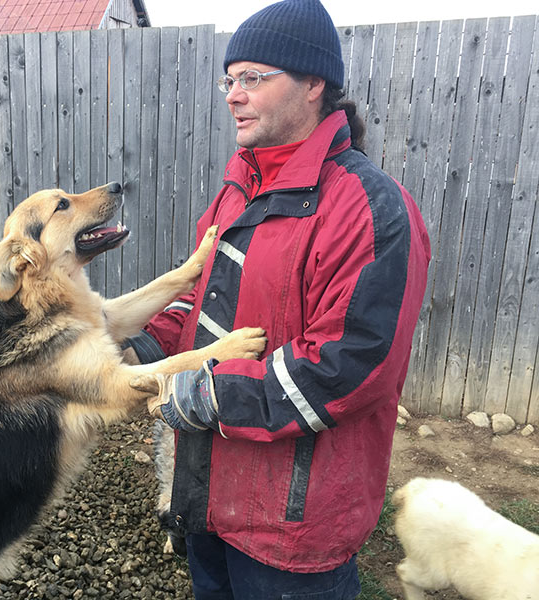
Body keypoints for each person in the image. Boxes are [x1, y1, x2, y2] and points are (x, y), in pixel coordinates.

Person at [125, 0, 431, 598]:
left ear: (314, 84)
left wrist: (210, 394)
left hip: (292, 531)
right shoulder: (237, 191)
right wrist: (140, 349)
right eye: (229, 80)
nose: (233, 95)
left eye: (253, 78)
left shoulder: (367, 206)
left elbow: (351, 364)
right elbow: (198, 305)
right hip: (208, 499)